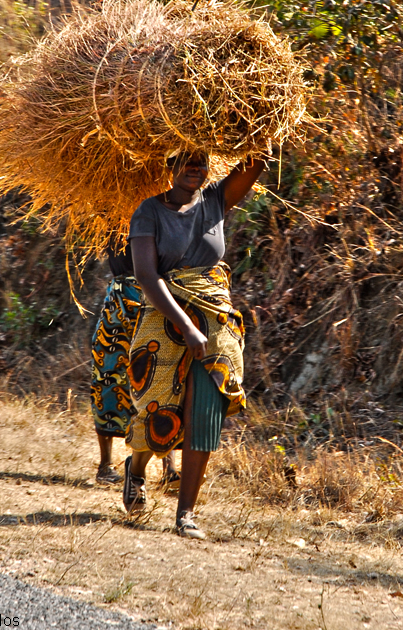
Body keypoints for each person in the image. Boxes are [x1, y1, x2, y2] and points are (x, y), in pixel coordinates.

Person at [123, 150, 266, 538]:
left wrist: (259, 118)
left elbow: (258, 158)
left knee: (205, 407)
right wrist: (185, 326)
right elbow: (147, 276)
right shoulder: (149, 212)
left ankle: (185, 514)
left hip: (215, 312)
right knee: (160, 410)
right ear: (169, 168)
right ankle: (136, 469)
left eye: (200, 163)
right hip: (165, 309)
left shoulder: (216, 200)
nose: (194, 169)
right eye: (185, 162)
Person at [91, 242, 179, 486]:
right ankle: (105, 465)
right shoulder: (115, 212)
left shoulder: (167, 212)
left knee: (162, 378)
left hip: (161, 296)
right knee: (109, 377)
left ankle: (169, 469)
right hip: (122, 301)